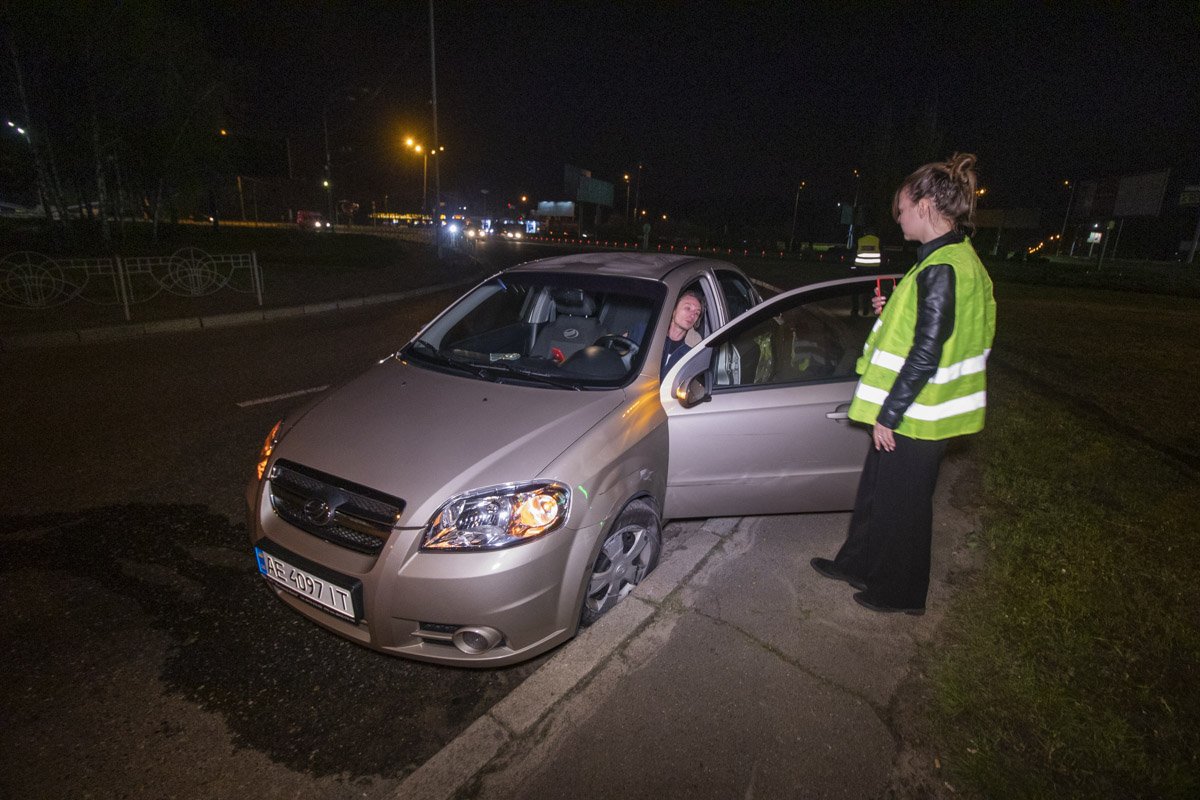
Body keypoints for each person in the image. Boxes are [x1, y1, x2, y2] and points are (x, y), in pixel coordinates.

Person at [811, 153, 996, 615]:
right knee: (876, 496)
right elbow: (930, 328)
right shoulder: (947, 261)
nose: (898, 217)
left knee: (904, 510)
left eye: (902, 208)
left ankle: (900, 593)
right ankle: (858, 565)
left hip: (917, 416)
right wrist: (890, 311)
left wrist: (889, 415)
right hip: (915, 411)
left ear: (927, 205)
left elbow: (928, 352)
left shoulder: (944, 265)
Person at [660, 291, 703, 377]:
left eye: (697, 313)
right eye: (688, 308)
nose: (692, 315)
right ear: (674, 309)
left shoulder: (696, 349)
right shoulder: (645, 332)